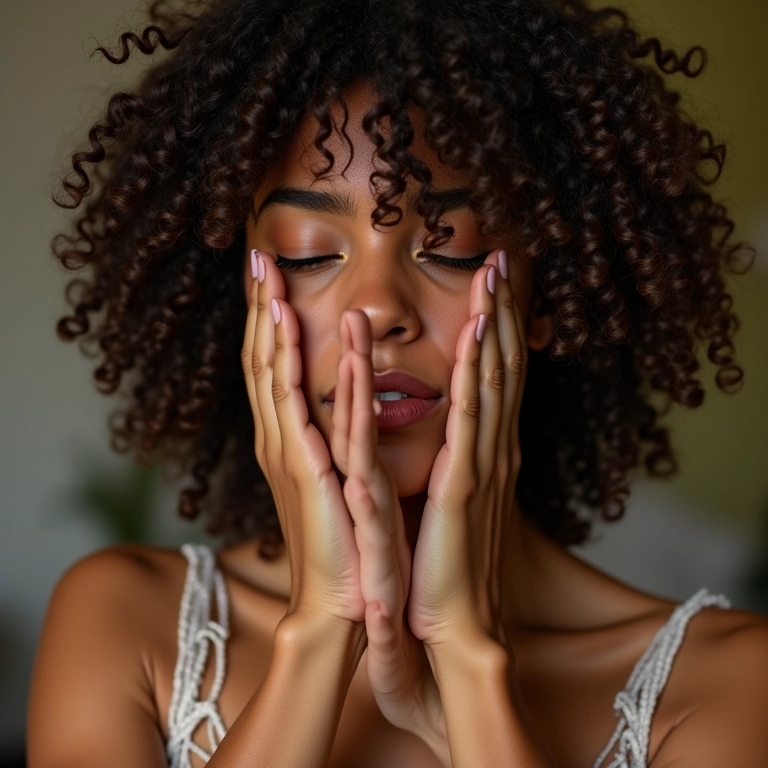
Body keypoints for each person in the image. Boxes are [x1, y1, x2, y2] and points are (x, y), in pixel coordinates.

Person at [26, 0, 768, 766]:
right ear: (245, 293)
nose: (378, 309)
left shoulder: (725, 680)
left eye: (452, 249)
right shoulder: (125, 617)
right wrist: (321, 628)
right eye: (308, 254)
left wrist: (469, 660)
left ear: (546, 296)